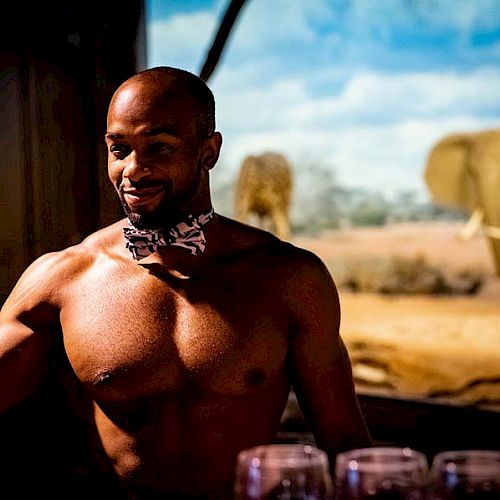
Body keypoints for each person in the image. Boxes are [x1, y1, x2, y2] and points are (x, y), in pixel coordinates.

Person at [0, 66, 371, 499]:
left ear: (209, 150)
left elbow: (346, 446)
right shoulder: (65, 276)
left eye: (158, 147)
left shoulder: (290, 279)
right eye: (119, 149)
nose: (133, 170)